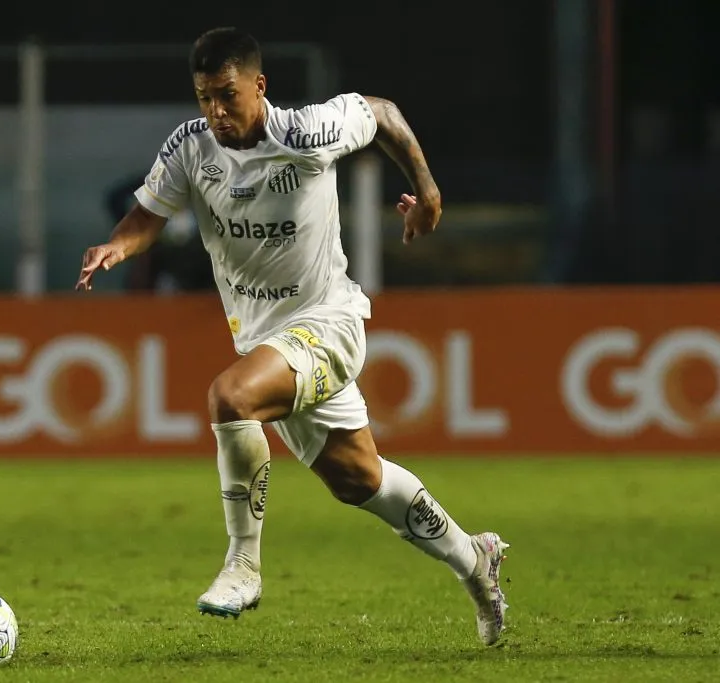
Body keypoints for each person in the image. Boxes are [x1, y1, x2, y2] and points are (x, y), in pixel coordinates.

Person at [75, 27, 509, 646]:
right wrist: (116, 246)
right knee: (360, 480)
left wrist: (429, 193)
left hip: (327, 325)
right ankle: (476, 559)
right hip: (266, 343)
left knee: (230, 398)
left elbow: (382, 114)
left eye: (227, 95)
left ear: (260, 85)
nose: (215, 112)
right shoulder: (191, 148)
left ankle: (242, 565)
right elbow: (149, 213)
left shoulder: (307, 133)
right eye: (203, 98)